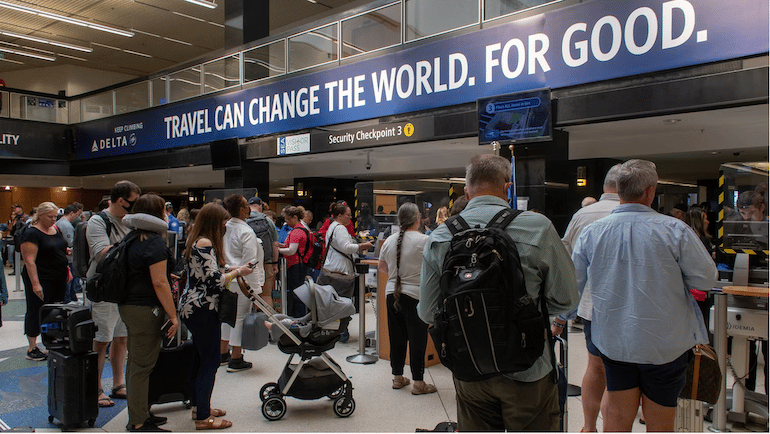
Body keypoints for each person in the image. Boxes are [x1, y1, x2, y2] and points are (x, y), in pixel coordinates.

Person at [419, 154, 579, 431]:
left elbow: (427, 310)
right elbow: (566, 298)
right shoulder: (537, 228)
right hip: (528, 366)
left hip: (469, 367)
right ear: (508, 187)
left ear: (467, 192)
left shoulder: (440, 236)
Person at [571, 159, 717, 432]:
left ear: (618, 190)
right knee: (660, 417)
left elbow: (574, 283)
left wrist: (562, 317)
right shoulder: (675, 230)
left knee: (617, 410)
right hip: (664, 343)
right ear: (650, 192)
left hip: (615, 340)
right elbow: (706, 279)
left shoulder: (593, 232)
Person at [552, 164, 621, 433]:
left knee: (596, 367)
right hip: (630, 307)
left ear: (604, 186)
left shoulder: (583, 215)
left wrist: (562, 313)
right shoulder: (645, 217)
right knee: (625, 373)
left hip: (592, 303)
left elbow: (567, 261)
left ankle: (589, 427)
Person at [179, 202, 255, 430]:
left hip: (193, 305)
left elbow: (207, 272)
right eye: (223, 223)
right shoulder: (205, 242)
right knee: (210, 361)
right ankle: (203, 416)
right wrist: (239, 271)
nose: (225, 227)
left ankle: (199, 405)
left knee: (201, 358)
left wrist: (231, 268)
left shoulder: (195, 239)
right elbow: (213, 281)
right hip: (203, 307)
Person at [119, 194, 180, 432]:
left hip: (128, 305)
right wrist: (173, 316)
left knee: (135, 362)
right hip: (145, 309)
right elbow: (159, 283)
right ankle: (138, 421)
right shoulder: (153, 241)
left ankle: (140, 412)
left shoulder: (131, 237)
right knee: (142, 365)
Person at [87, 180, 141, 408]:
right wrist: (134, 246)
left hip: (126, 289)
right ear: (121, 201)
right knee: (102, 340)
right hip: (105, 289)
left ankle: (118, 384)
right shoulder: (98, 221)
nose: (136, 207)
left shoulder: (131, 221)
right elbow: (103, 253)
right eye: (133, 203)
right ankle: (95, 387)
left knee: (121, 338)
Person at [378, 202, 436, 395]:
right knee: (417, 338)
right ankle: (419, 383)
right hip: (416, 295)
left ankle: (397, 377)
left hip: (391, 293)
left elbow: (382, 268)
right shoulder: (424, 241)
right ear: (417, 219)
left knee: (397, 337)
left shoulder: (388, 240)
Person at [20, 201, 70, 362]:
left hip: (58, 277)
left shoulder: (55, 229)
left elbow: (59, 248)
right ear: (40, 215)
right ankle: (32, 346)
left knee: (55, 310)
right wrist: (35, 283)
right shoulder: (31, 233)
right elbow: (29, 260)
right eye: (50, 216)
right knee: (36, 310)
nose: (53, 219)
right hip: (41, 278)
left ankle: (51, 341)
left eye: (55, 216)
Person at [220, 194, 264, 372]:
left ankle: (222, 353)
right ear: (240, 209)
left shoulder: (224, 228)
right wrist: (255, 287)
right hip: (242, 281)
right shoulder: (246, 231)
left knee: (226, 317)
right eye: (246, 205)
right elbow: (250, 262)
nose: (249, 208)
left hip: (226, 278)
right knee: (239, 318)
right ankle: (236, 357)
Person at [277, 206, 311, 318]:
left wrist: (277, 250)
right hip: (300, 264)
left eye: (287, 219)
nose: (286, 222)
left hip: (296, 265)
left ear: (295, 217)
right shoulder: (301, 228)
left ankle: (298, 317)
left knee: (296, 293)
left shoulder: (296, 232)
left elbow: (291, 250)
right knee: (298, 291)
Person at [246, 196, 279, 310]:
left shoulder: (243, 220)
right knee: (265, 295)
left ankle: (249, 324)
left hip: (247, 265)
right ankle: (267, 324)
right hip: (266, 262)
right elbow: (275, 244)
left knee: (248, 295)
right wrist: (275, 263)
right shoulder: (268, 220)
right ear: (260, 206)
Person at [56, 204, 82, 304]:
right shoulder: (66, 225)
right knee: (69, 278)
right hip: (68, 257)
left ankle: (72, 297)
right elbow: (70, 242)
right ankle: (68, 299)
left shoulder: (61, 223)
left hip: (66, 256)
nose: (77, 217)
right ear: (71, 213)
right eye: (77, 215)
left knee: (71, 278)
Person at [8, 204, 29, 275]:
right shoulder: (16, 218)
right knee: (15, 254)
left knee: (24, 255)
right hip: (16, 238)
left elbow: (27, 226)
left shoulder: (25, 217)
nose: (15, 210)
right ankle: (16, 270)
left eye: (16, 208)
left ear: (20, 208)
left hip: (22, 238)